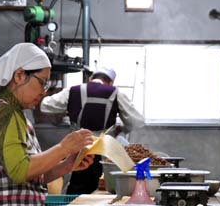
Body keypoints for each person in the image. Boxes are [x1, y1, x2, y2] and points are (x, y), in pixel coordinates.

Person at [0, 43, 95, 206]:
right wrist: (63, 148)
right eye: (41, 82)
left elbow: (31, 176)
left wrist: (66, 164)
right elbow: (20, 171)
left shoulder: (16, 116)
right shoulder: (2, 114)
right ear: (19, 76)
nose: (44, 91)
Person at [40, 66, 144, 194]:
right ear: (110, 82)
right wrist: (123, 128)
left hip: (77, 149)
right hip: (104, 151)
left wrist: (68, 108)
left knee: (74, 188)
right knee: (102, 189)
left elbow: (45, 106)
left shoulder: (74, 90)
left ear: (91, 79)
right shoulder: (116, 93)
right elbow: (137, 121)